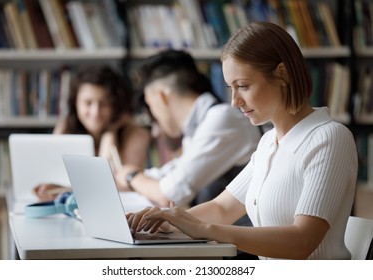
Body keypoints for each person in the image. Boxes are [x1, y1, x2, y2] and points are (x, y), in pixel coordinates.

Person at [126, 22, 358, 260]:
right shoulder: (269, 142)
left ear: (282, 74)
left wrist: (204, 230)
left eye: (243, 86)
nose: (234, 101)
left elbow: (303, 241)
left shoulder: (329, 138)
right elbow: (222, 208)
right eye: (231, 88)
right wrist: (163, 222)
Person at [115, 49, 261, 208]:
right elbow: (172, 174)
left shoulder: (223, 118)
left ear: (161, 97)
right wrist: (132, 176)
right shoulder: (197, 126)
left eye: (150, 106)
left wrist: (131, 176)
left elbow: (170, 195)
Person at [33, 65, 151, 201]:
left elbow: (113, 186)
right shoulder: (65, 128)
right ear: (75, 103)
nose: (95, 112)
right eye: (88, 103)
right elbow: (52, 175)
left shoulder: (137, 134)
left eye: (104, 103)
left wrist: (110, 132)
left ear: (116, 104)